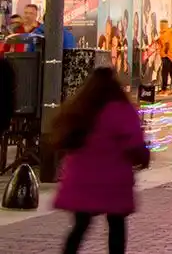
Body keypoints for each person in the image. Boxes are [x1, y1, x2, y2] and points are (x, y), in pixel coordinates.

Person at [52, 68, 148, 254]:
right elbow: (134, 143)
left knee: (80, 225)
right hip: (114, 180)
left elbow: (63, 136)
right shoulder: (122, 110)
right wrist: (142, 157)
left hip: (82, 179)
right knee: (116, 224)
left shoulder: (80, 109)